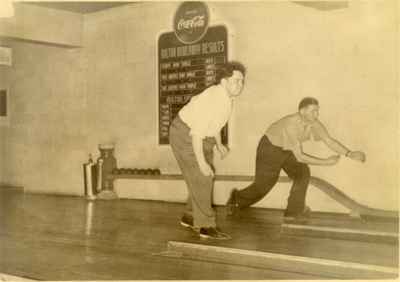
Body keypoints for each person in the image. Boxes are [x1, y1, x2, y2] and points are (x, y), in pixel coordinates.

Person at [226, 97, 366, 222]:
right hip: (269, 148)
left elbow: (329, 140)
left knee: (302, 172)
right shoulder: (291, 124)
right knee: (264, 185)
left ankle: (293, 211)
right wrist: (326, 162)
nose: (316, 114)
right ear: (302, 111)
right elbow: (300, 156)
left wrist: (349, 153)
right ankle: (236, 198)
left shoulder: (314, 122)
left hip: (287, 150)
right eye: (313, 111)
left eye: (317, 111)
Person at [169, 61, 246, 240]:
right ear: (224, 81)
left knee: (201, 177)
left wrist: (219, 144)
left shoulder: (227, 97)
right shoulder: (212, 99)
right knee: (203, 175)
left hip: (201, 135)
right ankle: (206, 226)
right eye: (236, 81)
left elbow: (215, 124)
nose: (240, 85)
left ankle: (190, 216)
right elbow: (196, 134)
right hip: (184, 133)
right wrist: (202, 163)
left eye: (242, 81)